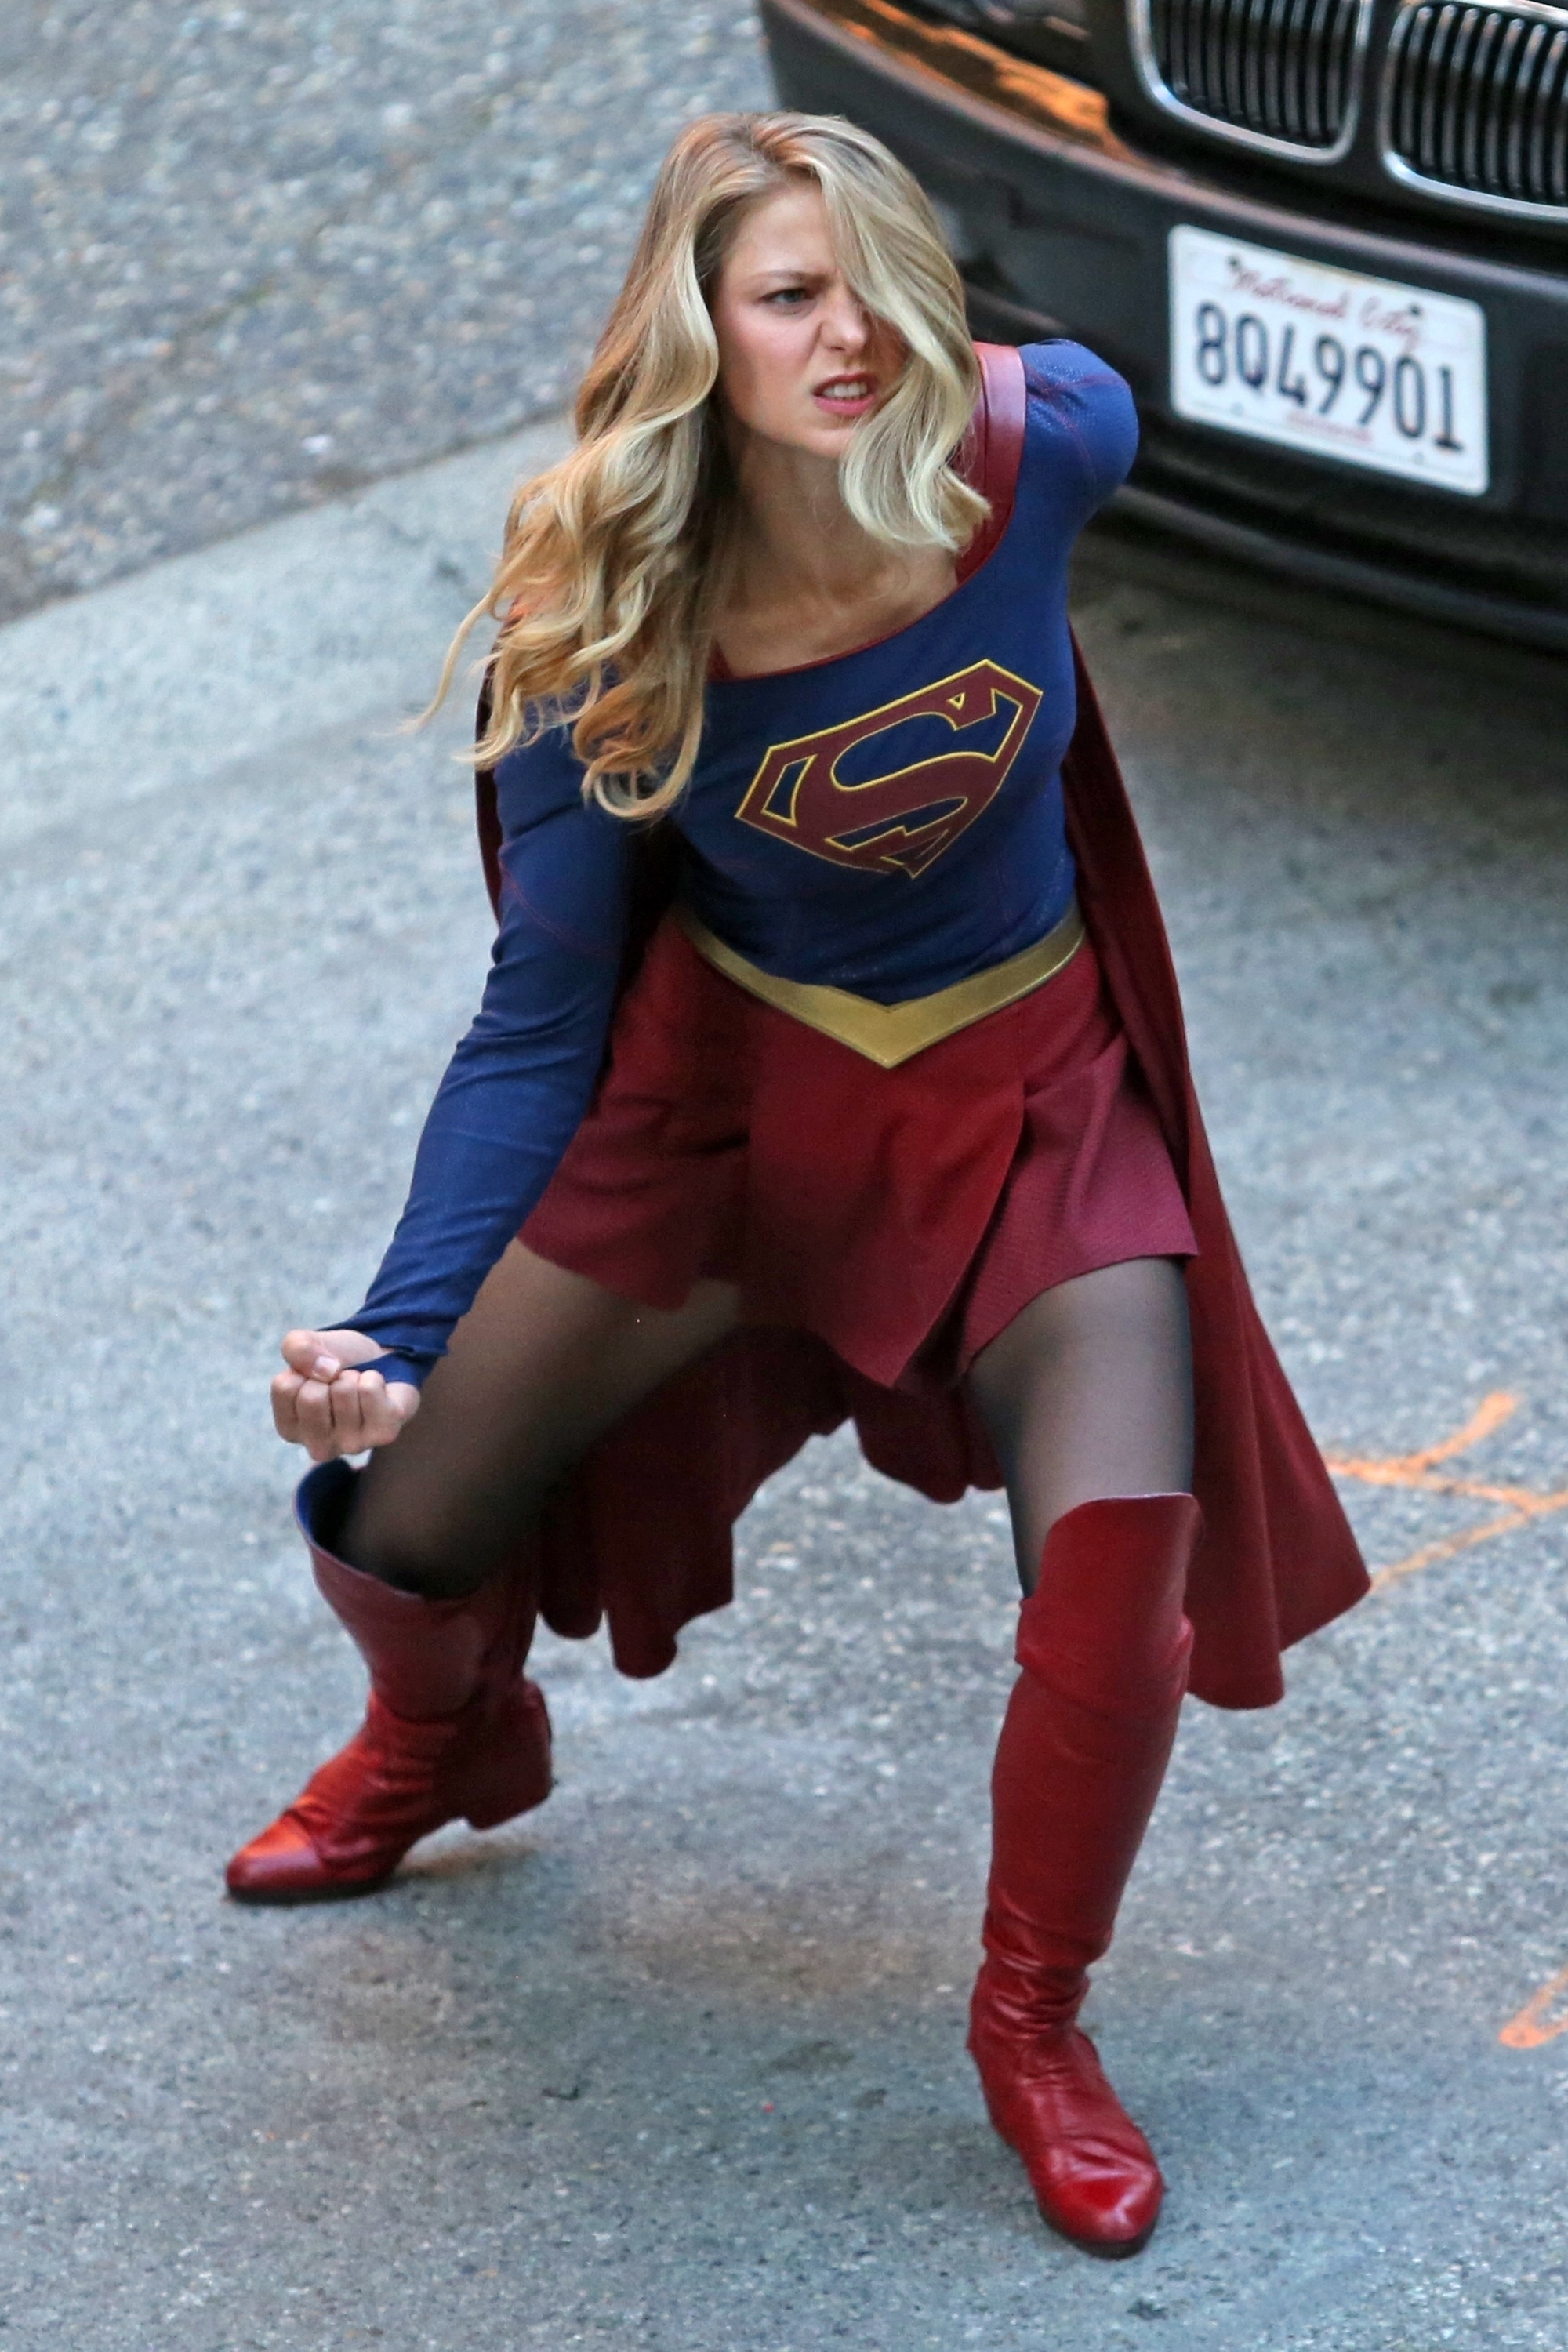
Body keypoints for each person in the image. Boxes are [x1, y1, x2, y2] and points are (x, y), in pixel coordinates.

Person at [227, 111, 1367, 2256]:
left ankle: (1033, 2027)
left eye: (881, 282)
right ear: (699, 334)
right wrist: (391, 1328)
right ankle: (447, 1743)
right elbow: (539, 1019)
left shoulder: (1045, 445)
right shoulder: (607, 624)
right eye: (788, 296)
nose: (853, 336)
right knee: (402, 1522)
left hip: (1029, 1090)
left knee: (1121, 1567)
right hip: (733, 1104)